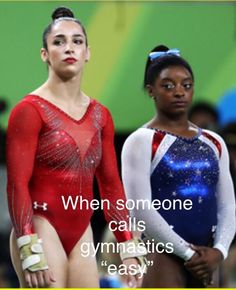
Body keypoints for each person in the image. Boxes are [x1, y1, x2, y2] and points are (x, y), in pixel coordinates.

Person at [6, 7, 146, 288]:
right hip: (40, 224)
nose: (69, 47)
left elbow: (110, 185)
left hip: (81, 231)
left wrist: (127, 245)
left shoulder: (100, 115)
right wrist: (28, 245)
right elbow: (16, 184)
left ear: (87, 52)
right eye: (59, 41)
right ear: (45, 54)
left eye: (77, 41)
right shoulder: (29, 110)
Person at [121, 45, 236, 287]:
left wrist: (220, 251)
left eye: (186, 85)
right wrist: (187, 253)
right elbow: (140, 210)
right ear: (151, 90)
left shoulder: (214, 142)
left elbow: (227, 206)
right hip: (162, 254)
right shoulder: (141, 141)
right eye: (168, 86)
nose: (179, 92)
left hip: (207, 258)